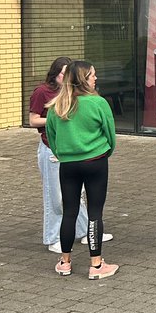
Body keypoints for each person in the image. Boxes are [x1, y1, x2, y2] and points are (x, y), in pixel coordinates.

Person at [45, 60, 118, 279]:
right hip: (96, 161)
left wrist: (64, 153)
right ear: (84, 79)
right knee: (95, 212)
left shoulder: (57, 105)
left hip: (68, 164)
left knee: (69, 211)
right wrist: (105, 151)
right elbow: (110, 134)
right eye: (93, 75)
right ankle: (96, 265)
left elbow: (51, 137)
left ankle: (64, 262)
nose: (96, 78)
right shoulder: (98, 103)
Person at [29, 56, 90, 253]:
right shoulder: (42, 92)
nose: (65, 77)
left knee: (75, 193)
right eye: (63, 73)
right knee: (55, 195)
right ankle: (53, 237)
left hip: (70, 149)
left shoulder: (71, 92)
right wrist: (55, 119)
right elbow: (33, 120)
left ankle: (83, 231)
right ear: (55, 73)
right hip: (51, 148)